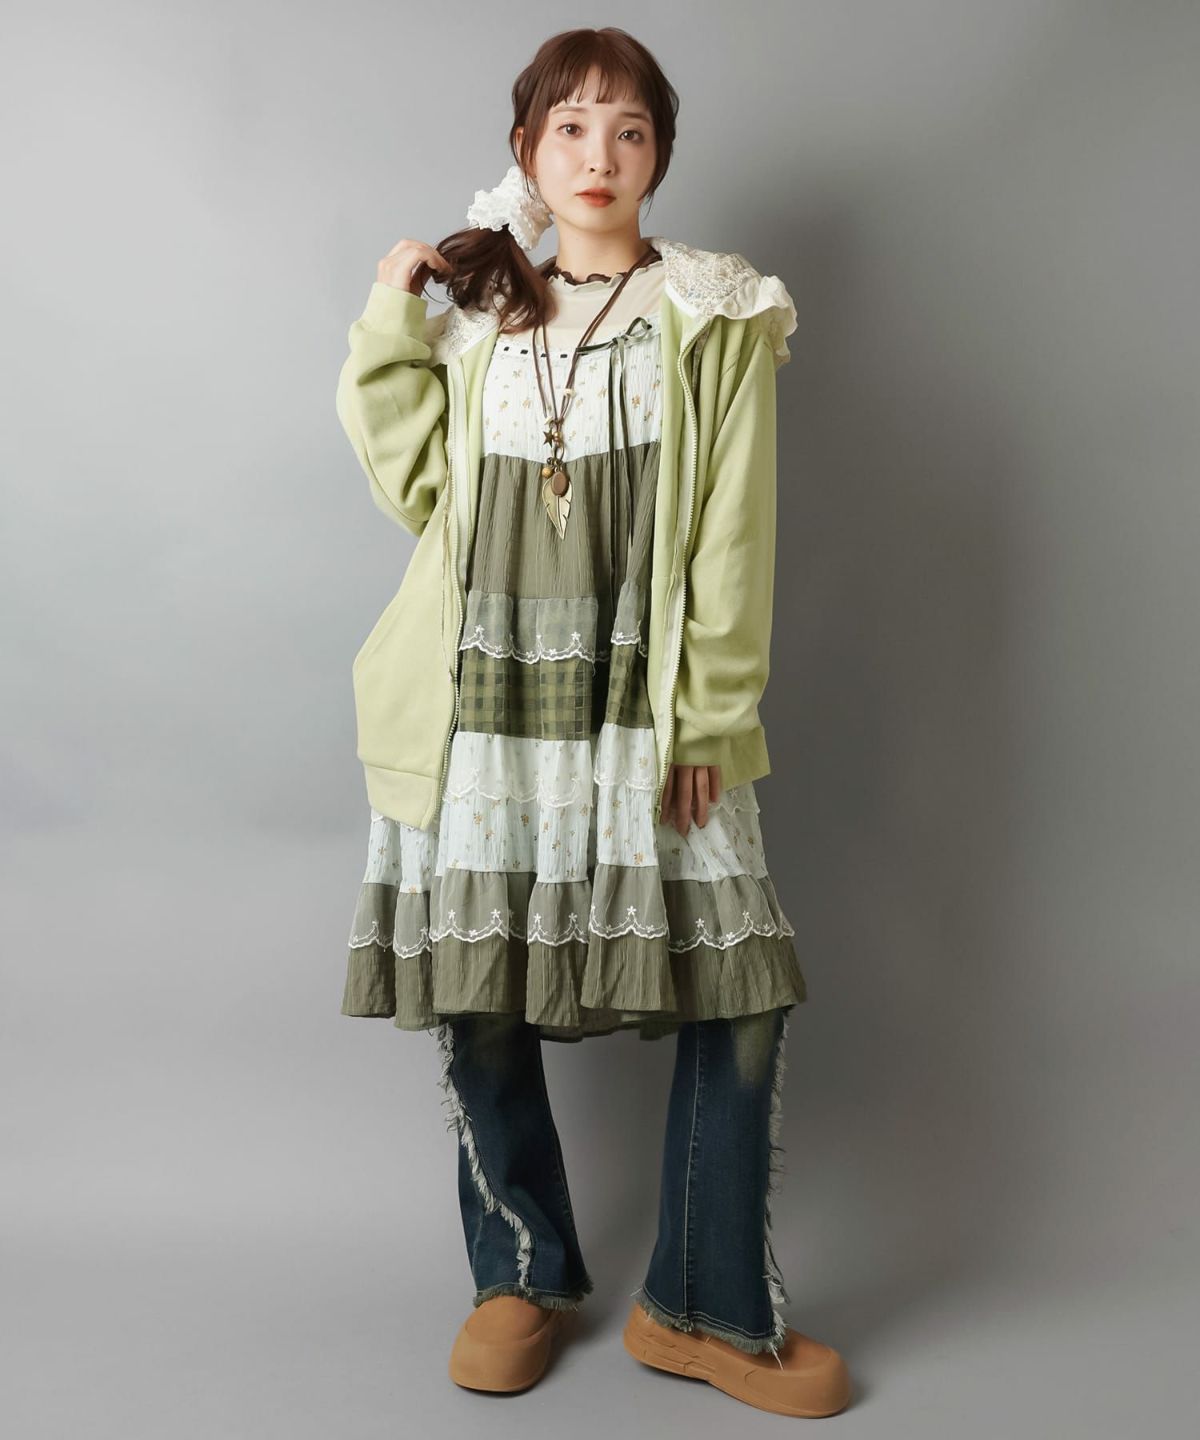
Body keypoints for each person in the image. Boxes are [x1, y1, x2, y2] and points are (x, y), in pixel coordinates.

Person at [334, 25, 852, 1419]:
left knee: (737, 993)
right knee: (479, 988)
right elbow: (417, 491)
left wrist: (711, 716)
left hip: (645, 696)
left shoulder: (715, 309)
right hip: (479, 694)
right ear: (526, 151)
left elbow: (734, 528)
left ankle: (702, 1305)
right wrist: (390, 316)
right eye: (569, 126)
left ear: (659, 153)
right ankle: (517, 1270)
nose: (599, 153)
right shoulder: (476, 316)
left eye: (628, 128)